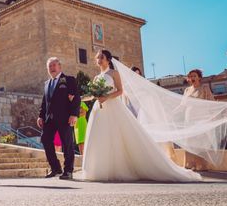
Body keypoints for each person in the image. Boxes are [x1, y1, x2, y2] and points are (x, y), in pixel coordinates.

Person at [81, 50, 201, 182]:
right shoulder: (96, 78)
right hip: (99, 109)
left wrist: (107, 97)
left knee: (116, 135)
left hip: (113, 107)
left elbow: (120, 91)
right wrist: (80, 98)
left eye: (101, 57)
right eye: (97, 58)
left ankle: (121, 168)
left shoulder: (114, 73)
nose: (98, 60)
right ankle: (101, 168)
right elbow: (93, 95)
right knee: (100, 136)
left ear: (108, 59)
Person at [37, 57, 81, 180]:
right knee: (45, 140)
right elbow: (44, 102)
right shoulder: (47, 84)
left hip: (65, 118)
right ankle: (55, 168)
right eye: (49, 66)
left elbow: (76, 98)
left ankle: (68, 170)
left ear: (59, 67)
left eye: (53, 65)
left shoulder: (68, 80)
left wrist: (74, 114)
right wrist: (41, 116)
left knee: (67, 144)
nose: (52, 68)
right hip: (49, 119)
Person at [182, 69, 215, 171]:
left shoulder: (204, 88)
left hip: (201, 118)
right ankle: (190, 165)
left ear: (199, 77)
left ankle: (201, 165)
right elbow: (182, 105)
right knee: (189, 142)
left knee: (201, 142)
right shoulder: (187, 90)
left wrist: (210, 117)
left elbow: (211, 102)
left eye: (194, 76)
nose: (192, 78)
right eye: (190, 76)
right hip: (189, 118)